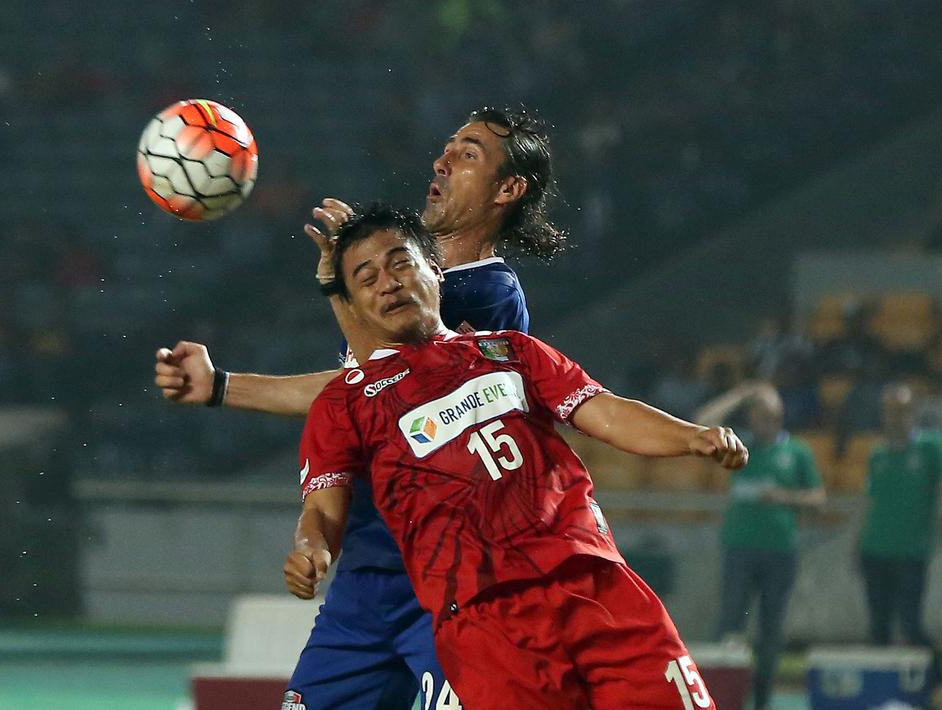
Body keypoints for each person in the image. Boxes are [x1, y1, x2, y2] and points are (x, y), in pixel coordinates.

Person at [157, 107, 560, 708]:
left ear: (507, 190)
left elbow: (391, 386)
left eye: (469, 153)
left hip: (450, 580)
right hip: (371, 573)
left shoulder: (489, 296)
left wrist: (336, 293)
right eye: (447, 146)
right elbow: (357, 392)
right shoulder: (396, 284)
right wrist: (220, 385)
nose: (442, 161)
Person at [287, 205, 747, 707]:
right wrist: (313, 549)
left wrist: (691, 436)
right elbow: (323, 508)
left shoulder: (513, 351)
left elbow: (605, 412)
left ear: (434, 271)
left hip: (594, 585)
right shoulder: (344, 403)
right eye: (367, 277)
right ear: (352, 304)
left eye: (400, 263)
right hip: (486, 620)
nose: (388, 283)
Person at [698, 382, 825, 710]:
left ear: (780, 416)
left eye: (771, 415)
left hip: (780, 550)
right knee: (729, 623)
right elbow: (701, 422)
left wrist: (783, 497)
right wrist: (738, 395)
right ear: (751, 415)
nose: (765, 421)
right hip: (739, 547)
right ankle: (720, 699)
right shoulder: (738, 446)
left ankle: (763, 701)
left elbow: (818, 497)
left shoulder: (797, 451)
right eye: (759, 414)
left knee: (771, 630)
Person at [858, 383, 942, 647]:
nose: (896, 417)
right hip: (875, 550)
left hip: (911, 551)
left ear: (914, 413)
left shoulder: (930, 446)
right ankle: (883, 686)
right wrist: (858, 543)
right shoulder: (879, 454)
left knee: (910, 623)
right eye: (891, 411)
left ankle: (937, 678)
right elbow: (870, 502)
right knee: (878, 627)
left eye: (903, 411)